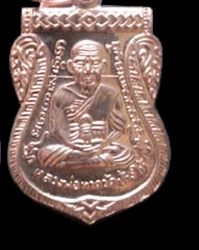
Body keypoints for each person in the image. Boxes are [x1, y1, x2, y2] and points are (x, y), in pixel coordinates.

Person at [38, 40, 133, 170]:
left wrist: (102, 145)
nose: (88, 70)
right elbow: (56, 129)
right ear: (70, 66)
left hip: (100, 146)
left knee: (127, 153)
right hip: (72, 147)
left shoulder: (109, 93)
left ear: (103, 67)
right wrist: (75, 145)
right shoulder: (62, 93)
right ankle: (95, 161)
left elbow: (117, 130)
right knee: (44, 154)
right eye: (81, 63)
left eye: (95, 63)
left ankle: (76, 164)